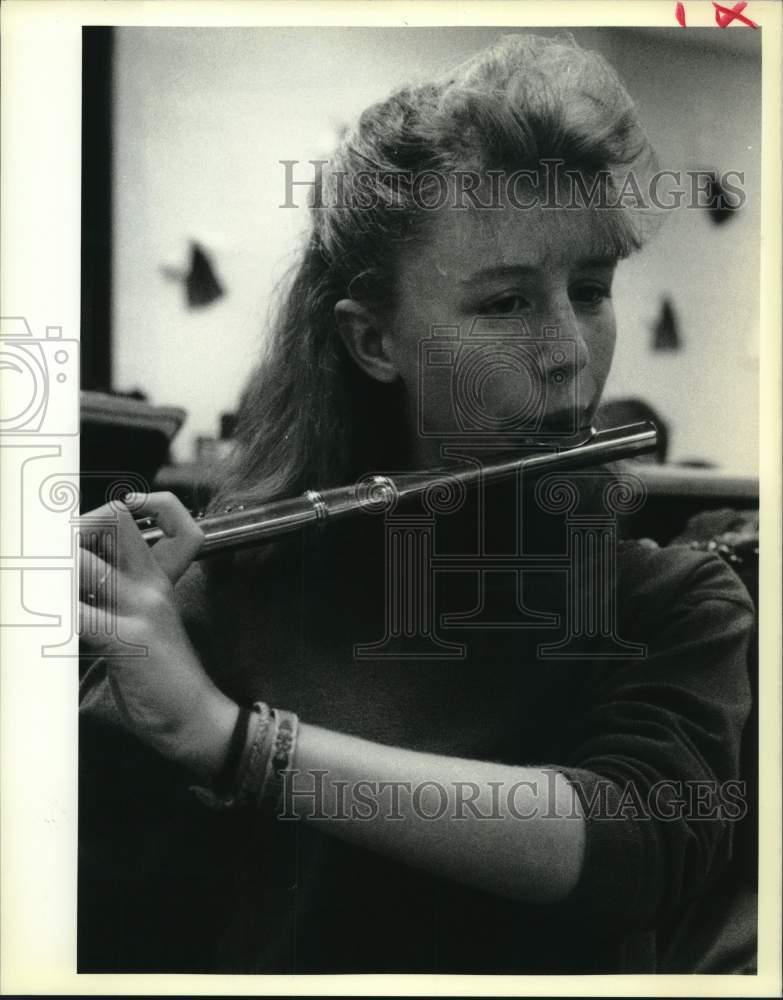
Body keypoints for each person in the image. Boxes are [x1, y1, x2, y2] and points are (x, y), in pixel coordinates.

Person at [78, 34, 755, 974]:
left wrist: (234, 744)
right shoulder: (221, 600)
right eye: (505, 305)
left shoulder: (671, 603)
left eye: (590, 290)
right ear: (374, 344)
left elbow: (635, 840)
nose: (569, 351)